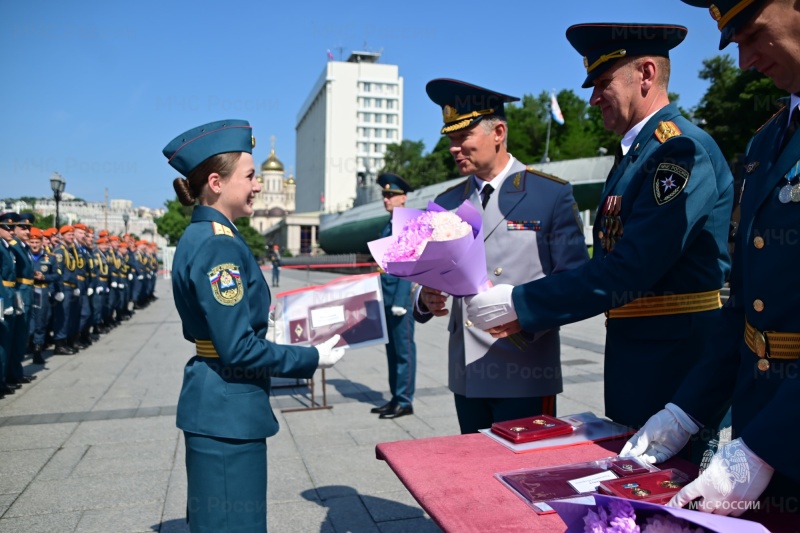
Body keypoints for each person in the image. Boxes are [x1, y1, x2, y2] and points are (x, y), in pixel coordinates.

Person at [466, 25, 734, 432]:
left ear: (646, 74)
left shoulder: (679, 150)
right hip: (642, 364)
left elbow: (631, 268)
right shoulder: (637, 155)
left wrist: (522, 302)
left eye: (603, 82)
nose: (592, 98)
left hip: (677, 376)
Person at [619, 0, 800, 517]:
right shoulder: (767, 141)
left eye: (753, 34)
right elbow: (744, 305)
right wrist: (685, 410)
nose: (743, 61)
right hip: (760, 430)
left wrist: (766, 445)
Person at [163, 118, 346, 531]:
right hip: (227, 406)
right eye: (249, 176)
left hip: (218, 402)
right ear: (215, 182)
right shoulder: (217, 244)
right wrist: (311, 357)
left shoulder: (205, 234)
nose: (258, 185)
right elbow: (237, 348)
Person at [416, 79, 589, 434]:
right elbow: (416, 270)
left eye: (462, 138)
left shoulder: (549, 194)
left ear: (498, 132)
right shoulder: (445, 202)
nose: (453, 148)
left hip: (524, 366)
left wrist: (525, 316)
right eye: (449, 139)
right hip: (466, 372)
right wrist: (423, 296)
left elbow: (576, 282)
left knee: (526, 478)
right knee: (478, 479)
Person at [371, 173, 418, 419]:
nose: (386, 199)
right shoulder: (388, 225)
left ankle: (405, 400)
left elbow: (408, 265)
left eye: (391, 195)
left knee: (404, 352)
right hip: (387, 298)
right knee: (392, 352)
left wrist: (400, 301)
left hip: (399, 300)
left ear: (403, 198)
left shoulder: (407, 225)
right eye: (384, 195)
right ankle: (395, 397)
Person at [29, 227, 59, 365]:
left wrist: (44, 277)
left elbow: (56, 275)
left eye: (37, 242)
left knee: (41, 322)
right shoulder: (25, 255)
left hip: (42, 291)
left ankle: (37, 351)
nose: (34, 245)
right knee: (28, 322)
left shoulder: (50, 257)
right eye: (32, 242)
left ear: (42, 243)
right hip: (28, 291)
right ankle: (28, 345)